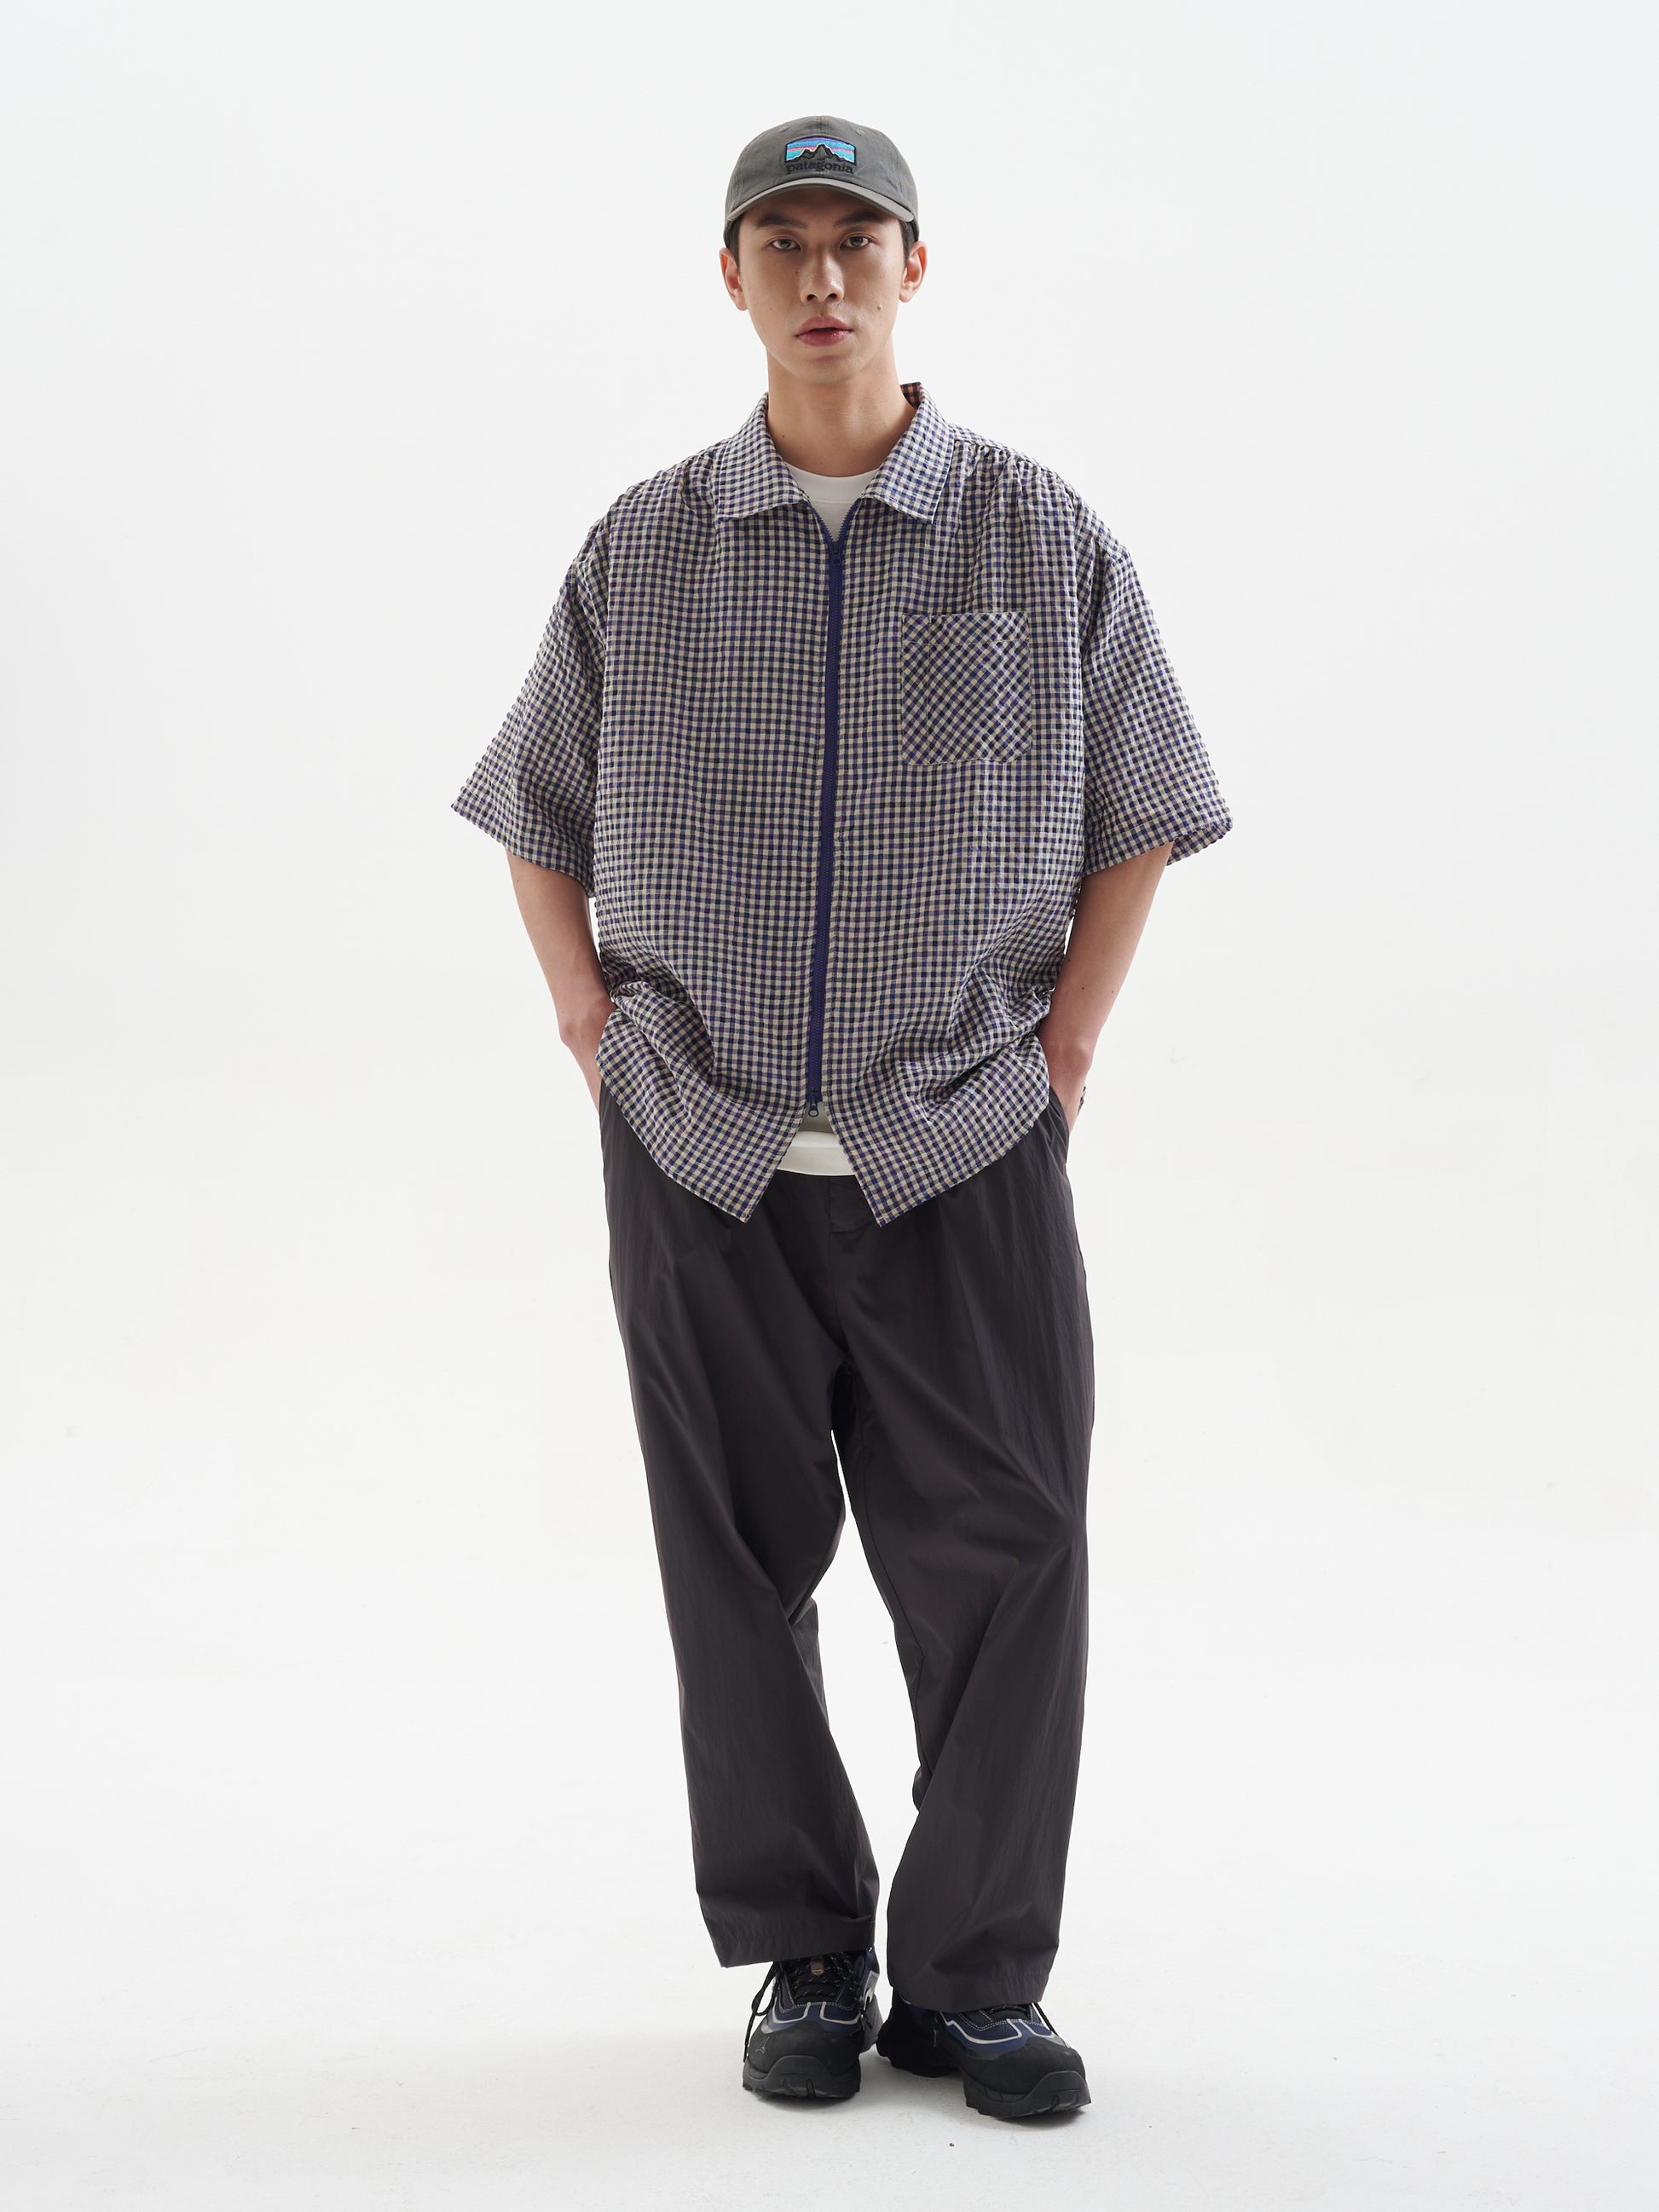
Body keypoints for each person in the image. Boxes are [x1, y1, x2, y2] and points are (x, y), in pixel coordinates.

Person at [452, 113, 1232, 2122]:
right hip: (697, 1146)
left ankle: (976, 1978)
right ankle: (807, 1948)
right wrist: (586, 1021)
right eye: (780, 242)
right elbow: (538, 804)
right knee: (733, 1561)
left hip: (958, 1139)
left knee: (1014, 1548)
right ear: (730, 278)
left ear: (911, 267)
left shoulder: (1036, 536)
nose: (820, 278)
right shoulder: (641, 545)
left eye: (854, 240)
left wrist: (1061, 1053)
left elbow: (1142, 806)